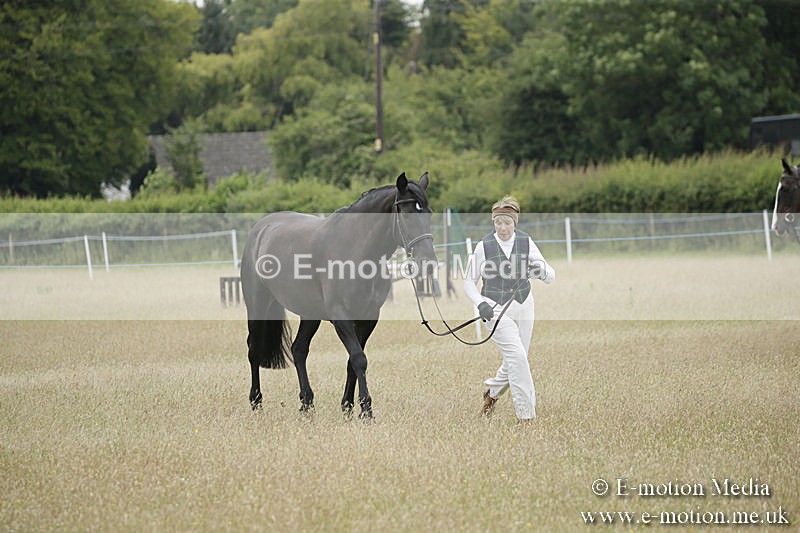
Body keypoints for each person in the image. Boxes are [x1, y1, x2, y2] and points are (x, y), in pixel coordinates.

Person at [463, 196, 555, 422]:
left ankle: (491, 394)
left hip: (524, 306)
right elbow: (468, 281)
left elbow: (550, 275)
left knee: (518, 358)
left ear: (515, 222)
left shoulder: (526, 241)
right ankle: (527, 417)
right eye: (498, 222)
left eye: (507, 222)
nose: (502, 227)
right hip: (494, 310)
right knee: (517, 357)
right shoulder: (483, 246)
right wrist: (480, 303)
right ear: (493, 222)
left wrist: (540, 271)